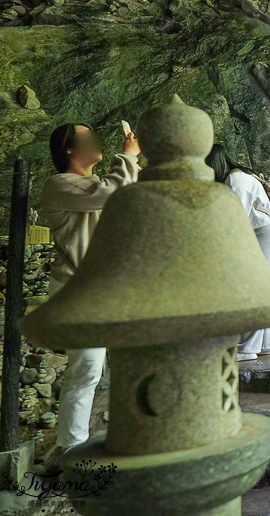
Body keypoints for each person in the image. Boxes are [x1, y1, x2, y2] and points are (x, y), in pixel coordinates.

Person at [41, 123, 140, 463]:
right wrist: (126, 156)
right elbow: (114, 193)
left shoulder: (94, 184)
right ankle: (69, 449)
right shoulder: (60, 185)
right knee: (86, 368)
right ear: (69, 149)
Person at [206, 144, 270, 361]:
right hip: (261, 231)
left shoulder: (237, 182)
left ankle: (247, 349)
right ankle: (266, 345)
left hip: (263, 233)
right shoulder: (234, 179)